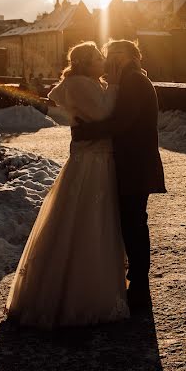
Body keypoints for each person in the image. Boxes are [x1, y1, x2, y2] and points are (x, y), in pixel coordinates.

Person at [5, 42, 129, 328]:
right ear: (86, 62)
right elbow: (101, 114)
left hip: (95, 158)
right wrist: (117, 84)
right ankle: (78, 297)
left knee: (88, 223)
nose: (104, 61)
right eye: (99, 57)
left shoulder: (85, 82)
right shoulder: (79, 83)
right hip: (91, 162)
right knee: (86, 224)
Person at [72, 40, 166, 313]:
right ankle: (136, 284)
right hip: (133, 163)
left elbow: (122, 122)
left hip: (136, 163)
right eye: (109, 53)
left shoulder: (135, 81)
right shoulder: (129, 79)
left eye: (117, 54)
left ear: (132, 57)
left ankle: (139, 287)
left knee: (134, 224)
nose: (111, 58)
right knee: (131, 223)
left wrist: (86, 132)